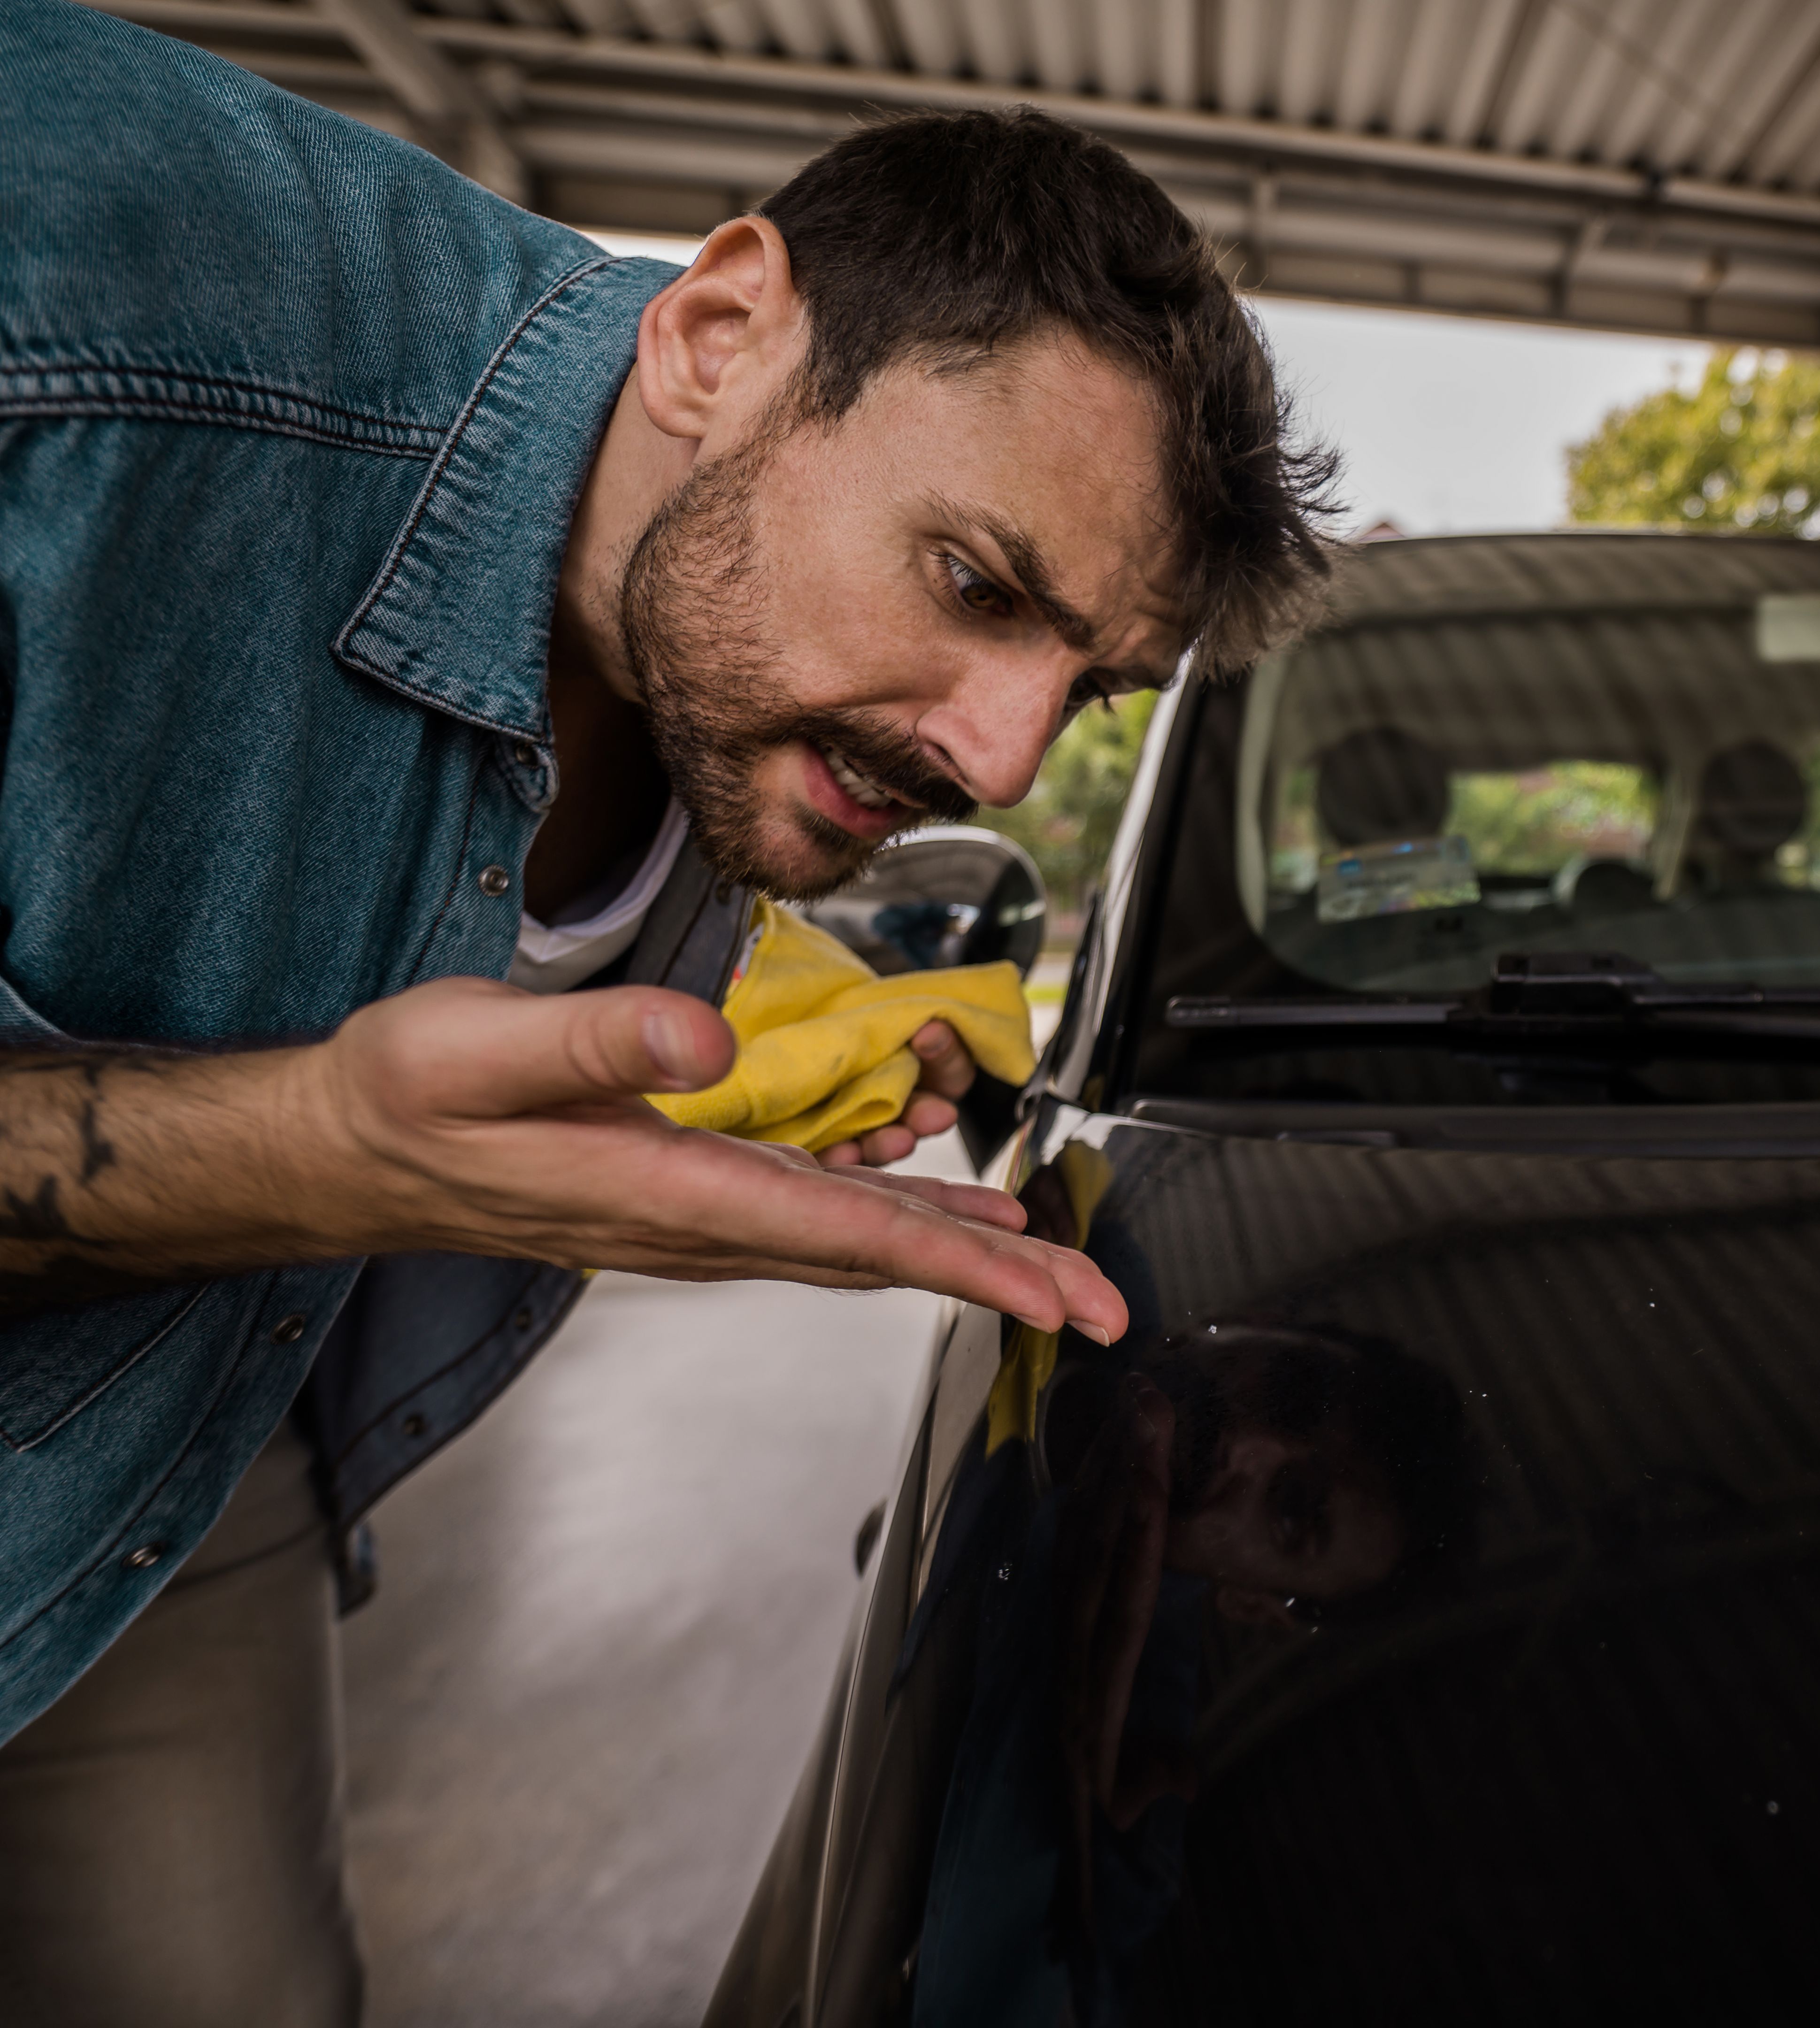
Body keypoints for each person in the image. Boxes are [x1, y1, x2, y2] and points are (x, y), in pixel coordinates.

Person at [0, 3, 1338, 2021]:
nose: (1000, 754)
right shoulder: (87, 287)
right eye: (979, 582)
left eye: (1090, 687)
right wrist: (316, 1154)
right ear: (721, 335)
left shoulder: (738, 602)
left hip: (169, 1452)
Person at [908, 1324, 1477, 2028]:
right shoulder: (1083, 1289)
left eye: (1293, 1508)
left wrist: (1047, 1801)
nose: (1249, 1444)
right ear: (1252, 1335)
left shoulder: (1134, 1759)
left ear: (1253, 1604)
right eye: (1295, 1392)